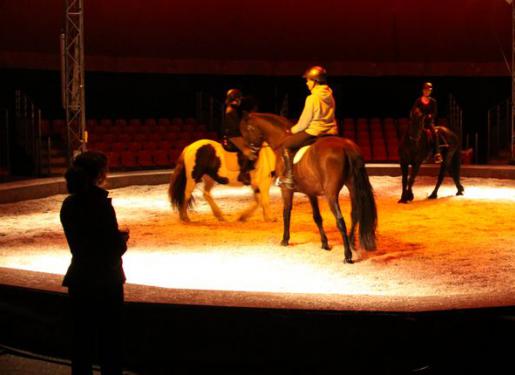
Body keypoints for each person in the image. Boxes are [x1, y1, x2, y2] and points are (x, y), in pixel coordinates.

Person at [60, 151, 128, 375]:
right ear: (99, 174)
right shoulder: (100, 204)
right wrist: (122, 239)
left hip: (79, 277)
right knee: (110, 342)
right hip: (105, 280)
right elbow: (112, 248)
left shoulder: (68, 204)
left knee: (82, 342)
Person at [279, 66, 338, 189]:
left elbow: (304, 123)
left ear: (315, 81)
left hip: (315, 132)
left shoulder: (312, 98)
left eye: (308, 80)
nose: (306, 83)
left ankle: (289, 177)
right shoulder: (330, 95)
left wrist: (292, 130)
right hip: (331, 131)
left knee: (286, 145)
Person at [222, 88, 257, 185]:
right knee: (247, 151)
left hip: (234, 134)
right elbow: (235, 128)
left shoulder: (234, 109)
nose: (240, 101)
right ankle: (243, 173)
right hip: (232, 137)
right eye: (238, 99)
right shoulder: (230, 111)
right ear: (234, 99)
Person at [410, 82, 443, 163]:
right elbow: (413, 110)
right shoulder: (418, 101)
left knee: (434, 133)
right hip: (419, 122)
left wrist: (430, 116)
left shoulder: (433, 101)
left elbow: (434, 112)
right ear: (423, 90)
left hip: (428, 123)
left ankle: (437, 154)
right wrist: (417, 113)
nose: (427, 91)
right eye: (426, 90)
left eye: (429, 90)